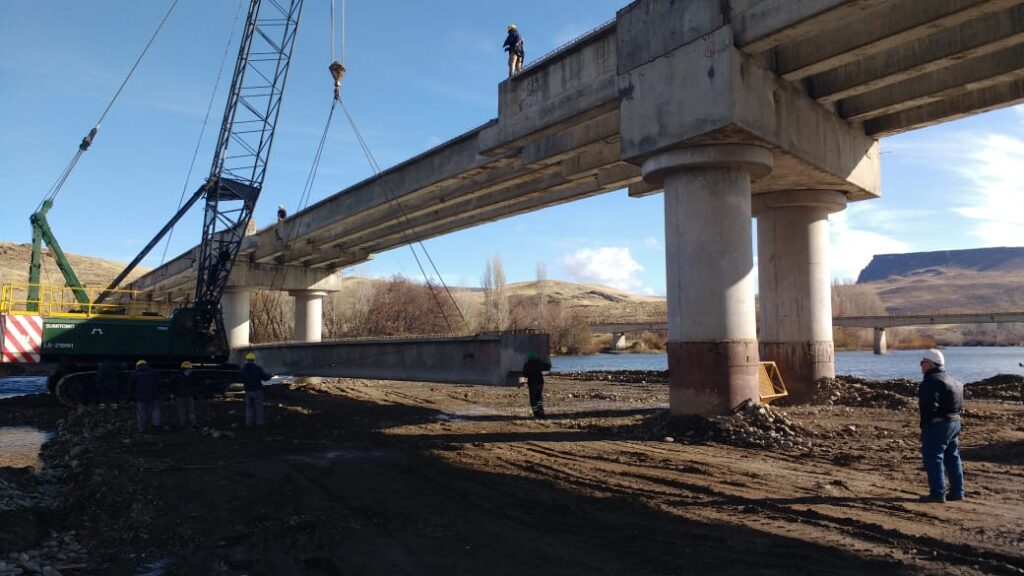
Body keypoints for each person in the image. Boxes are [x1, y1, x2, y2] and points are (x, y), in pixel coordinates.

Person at [917, 349, 965, 503]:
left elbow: (927, 407)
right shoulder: (955, 381)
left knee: (934, 457)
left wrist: (925, 426)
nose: (921, 365)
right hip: (955, 423)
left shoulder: (930, 381)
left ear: (931, 364)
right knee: (952, 457)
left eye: (922, 362)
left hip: (938, 425)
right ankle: (957, 492)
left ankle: (937, 494)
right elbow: (960, 405)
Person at [240, 351, 273, 427]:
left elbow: (241, 379)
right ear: (254, 360)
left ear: (246, 359)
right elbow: (265, 378)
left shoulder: (243, 369)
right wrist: (270, 376)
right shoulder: (258, 368)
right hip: (257, 390)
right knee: (259, 407)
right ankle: (259, 423)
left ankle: (248, 423)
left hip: (248, 391)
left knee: (249, 407)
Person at [130, 359, 162, 433]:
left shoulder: (135, 373)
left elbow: (131, 385)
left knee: (141, 412)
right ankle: (156, 424)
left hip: (140, 397)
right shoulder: (154, 371)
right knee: (155, 410)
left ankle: (141, 428)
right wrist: (160, 392)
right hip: (153, 395)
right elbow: (159, 383)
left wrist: (131, 395)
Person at [521, 351, 551, 419]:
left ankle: (536, 414)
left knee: (533, 400)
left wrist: (520, 383)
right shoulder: (538, 362)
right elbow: (547, 368)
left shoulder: (527, 364)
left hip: (532, 384)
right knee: (539, 398)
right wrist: (549, 363)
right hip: (540, 383)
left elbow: (523, 375)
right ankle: (541, 412)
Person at [173, 361, 199, 429]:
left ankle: (184, 424)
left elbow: (173, 386)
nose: (191, 370)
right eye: (190, 369)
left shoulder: (177, 376)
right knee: (189, 411)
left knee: (183, 411)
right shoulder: (191, 376)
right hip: (186, 395)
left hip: (182, 396)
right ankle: (191, 423)